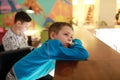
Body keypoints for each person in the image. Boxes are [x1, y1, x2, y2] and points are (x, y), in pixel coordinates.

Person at [8, 22, 89, 80]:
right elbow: (83, 54)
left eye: (71, 36)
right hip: (15, 77)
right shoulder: (52, 47)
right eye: (66, 34)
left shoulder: (54, 47)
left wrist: (73, 42)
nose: (70, 39)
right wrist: (76, 42)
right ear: (53, 35)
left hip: (27, 75)